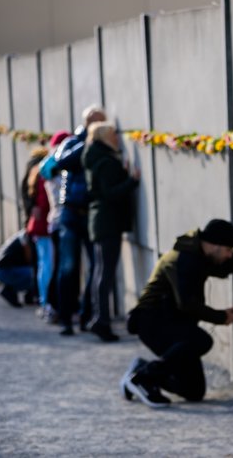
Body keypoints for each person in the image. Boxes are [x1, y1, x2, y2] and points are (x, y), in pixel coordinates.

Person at [122, 219, 233, 408]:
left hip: (172, 322)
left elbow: (221, 270)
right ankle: (143, 378)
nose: (229, 255)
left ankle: (141, 369)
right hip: (151, 321)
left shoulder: (198, 254)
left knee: (194, 390)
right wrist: (222, 317)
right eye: (228, 251)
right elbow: (187, 304)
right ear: (215, 245)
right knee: (202, 340)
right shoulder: (186, 259)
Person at [49, 105, 106, 336]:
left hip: (90, 213)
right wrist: (88, 141)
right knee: (68, 267)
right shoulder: (74, 142)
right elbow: (61, 162)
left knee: (95, 266)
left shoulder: (102, 144)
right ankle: (66, 318)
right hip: (71, 213)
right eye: (98, 123)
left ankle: (86, 315)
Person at [83, 122, 140, 342]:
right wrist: (132, 181)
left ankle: (98, 318)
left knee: (100, 272)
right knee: (104, 273)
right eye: (114, 134)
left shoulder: (97, 157)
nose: (118, 137)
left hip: (101, 221)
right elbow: (110, 192)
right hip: (108, 222)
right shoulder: (105, 161)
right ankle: (101, 320)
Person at [38, 130, 72, 323]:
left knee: (58, 265)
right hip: (60, 220)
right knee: (61, 267)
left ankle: (52, 305)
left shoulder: (48, 166)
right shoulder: (56, 168)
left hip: (54, 220)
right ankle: (54, 306)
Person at [23, 147, 54, 318]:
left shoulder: (35, 173)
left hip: (36, 227)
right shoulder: (43, 176)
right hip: (42, 228)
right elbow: (44, 204)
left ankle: (43, 300)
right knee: (47, 265)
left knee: (43, 265)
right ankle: (46, 301)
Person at [0, 230, 37, 308]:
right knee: (36, 273)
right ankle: (10, 290)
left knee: (35, 271)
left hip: (3, 269)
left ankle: (28, 296)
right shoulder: (26, 237)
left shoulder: (23, 235)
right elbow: (29, 258)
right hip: (4, 270)